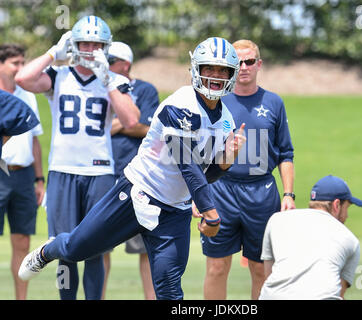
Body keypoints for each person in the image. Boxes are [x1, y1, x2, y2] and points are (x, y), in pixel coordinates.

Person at [18, 37, 247, 300]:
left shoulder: (226, 120)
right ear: (197, 69)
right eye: (209, 68)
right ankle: (48, 251)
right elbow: (186, 163)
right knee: (76, 249)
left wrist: (224, 162)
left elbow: (206, 173)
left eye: (222, 70)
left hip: (174, 210)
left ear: (232, 74)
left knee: (170, 291)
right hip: (137, 194)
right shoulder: (182, 103)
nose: (215, 76)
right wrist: (210, 211)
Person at [15, 16, 140, 300]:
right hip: (63, 170)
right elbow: (22, 78)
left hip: (99, 172)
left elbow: (131, 119)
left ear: (105, 47)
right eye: (85, 42)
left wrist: (106, 77)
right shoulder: (59, 76)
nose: (90, 48)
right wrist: (51, 54)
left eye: (96, 44)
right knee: (64, 247)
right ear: (74, 44)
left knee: (94, 246)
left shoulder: (115, 80)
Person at [194, 39, 295, 300]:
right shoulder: (213, 100)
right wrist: (196, 195)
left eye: (249, 61)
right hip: (220, 190)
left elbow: (286, 153)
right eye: (238, 62)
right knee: (216, 267)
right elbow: (196, 153)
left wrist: (288, 194)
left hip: (261, 192)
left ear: (259, 64)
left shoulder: (273, 102)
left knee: (261, 269)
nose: (244, 67)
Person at [102, 41, 159, 300]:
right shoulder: (98, 85)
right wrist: (123, 122)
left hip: (138, 176)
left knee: (145, 246)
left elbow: (147, 128)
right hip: (104, 173)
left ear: (125, 64)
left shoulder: (145, 90)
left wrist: (116, 124)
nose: (106, 64)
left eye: (111, 60)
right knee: (99, 244)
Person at [259, 175, 362, 300]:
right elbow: (339, 293)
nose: (346, 216)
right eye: (346, 208)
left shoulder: (276, 220)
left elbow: (269, 275)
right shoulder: (349, 239)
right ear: (336, 205)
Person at [0, 44, 45, 300]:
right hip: (0, 174)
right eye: (14, 63)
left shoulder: (27, 94)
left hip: (24, 175)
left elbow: (35, 139)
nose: (19, 68)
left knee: (23, 242)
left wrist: (39, 179)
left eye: (22, 63)